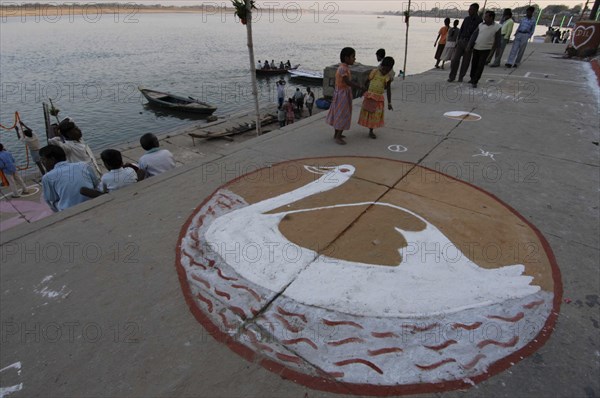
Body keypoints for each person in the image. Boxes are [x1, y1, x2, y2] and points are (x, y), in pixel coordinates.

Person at [39, 145, 99, 212]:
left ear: (52, 159)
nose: (42, 163)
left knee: (47, 198)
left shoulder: (47, 177)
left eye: (43, 160)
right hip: (92, 200)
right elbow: (96, 183)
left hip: (69, 209)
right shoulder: (83, 165)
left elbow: (51, 198)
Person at [326, 47, 365, 145]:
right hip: (342, 95)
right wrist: (360, 86)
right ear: (346, 58)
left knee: (340, 114)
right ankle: (338, 136)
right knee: (343, 114)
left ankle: (337, 134)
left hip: (342, 93)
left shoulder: (343, 67)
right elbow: (347, 81)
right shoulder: (343, 69)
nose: (354, 59)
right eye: (353, 57)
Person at [358, 56, 395, 139]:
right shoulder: (374, 72)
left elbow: (388, 90)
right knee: (369, 113)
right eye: (384, 69)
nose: (385, 71)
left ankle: (371, 130)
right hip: (370, 96)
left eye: (388, 70)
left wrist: (389, 102)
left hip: (378, 99)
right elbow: (366, 82)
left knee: (375, 115)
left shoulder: (387, 77)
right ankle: (369, 126)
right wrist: (362, 91)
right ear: (381, 66)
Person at [448, 3, 482, 83]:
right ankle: (452, 76)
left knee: (465, 62)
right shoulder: (466, 19)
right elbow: (461, 30)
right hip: (461, 41)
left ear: (476, 10)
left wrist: (472, 44)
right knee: (454, 60)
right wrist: (458, 40)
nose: (469, 11)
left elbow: (478, 33)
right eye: (469, 9)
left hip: (470, 43)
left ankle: (461, 77)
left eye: (471, 9)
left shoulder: (479, 21)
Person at [468, 11, 501, 88]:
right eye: (485, 16)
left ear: (491, 18)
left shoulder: (497, 27)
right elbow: (474, 35)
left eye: (486, 17)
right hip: (476, 47)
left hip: (486, 49)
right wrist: (469, 45)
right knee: (474, 64)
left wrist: (498, 51)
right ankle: (472, 78)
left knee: (480, 65)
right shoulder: (481, 25)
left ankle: (475, 81)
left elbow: (498, 40)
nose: (484, 18)